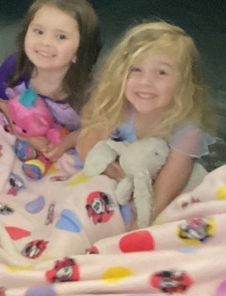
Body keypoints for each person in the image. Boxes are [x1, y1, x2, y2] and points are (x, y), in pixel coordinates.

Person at [77, 21, 215, 219]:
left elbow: (163, 195)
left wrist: (133, 232)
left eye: (161, 73)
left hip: (160, 197)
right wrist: (108, 168)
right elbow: (87, 141)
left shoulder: (187, 130)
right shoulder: (118, 106)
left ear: (184, 83)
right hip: (120, 186)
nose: (145, 82)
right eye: (136, 70)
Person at [0, 0, 101, 177]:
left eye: (61, 37)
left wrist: (66, 143)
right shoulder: (15, 67)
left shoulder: (87, 90)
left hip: (69, 139)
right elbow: (1, 98)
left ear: (79, 51)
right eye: (39, 31)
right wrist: (25, 133)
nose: (46, 43)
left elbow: (98, 128)